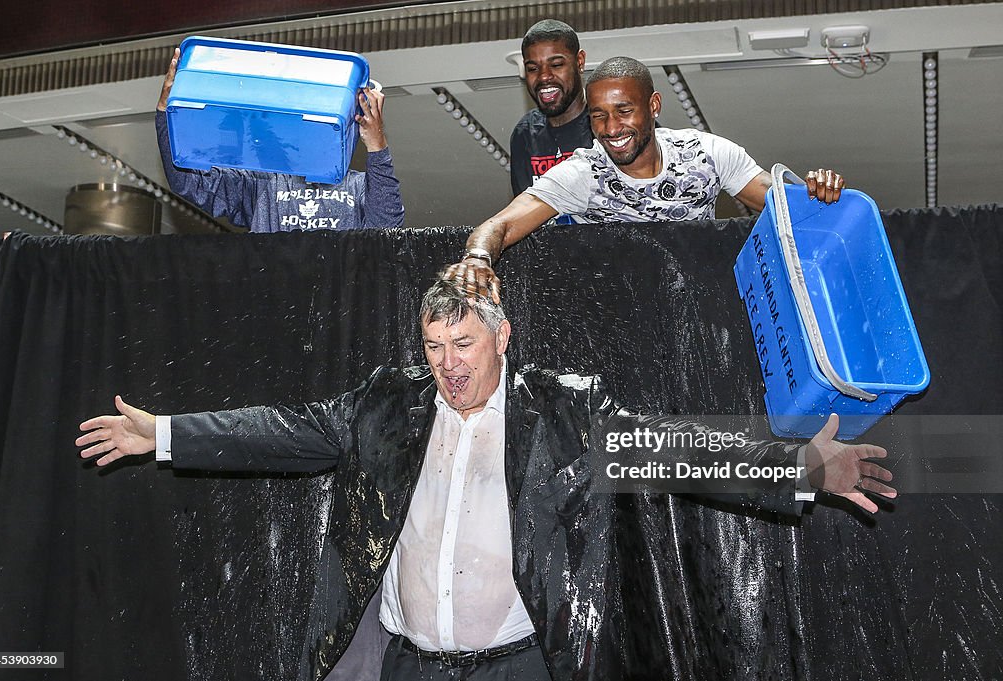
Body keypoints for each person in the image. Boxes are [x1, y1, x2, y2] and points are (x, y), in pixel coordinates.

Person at [76, 281, 894, 680]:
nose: (447, 365)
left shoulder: (565, 411)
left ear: (502, 334)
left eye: (462, 343)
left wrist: (802, 466)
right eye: (433, 347)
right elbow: (281, 429)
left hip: (517, 666)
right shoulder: (385, 403)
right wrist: (166, 433)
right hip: (407, 664)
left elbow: (670, 447)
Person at [447, 56, 846, 302]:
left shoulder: (705, 152)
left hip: (699, 303)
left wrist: (816, 191)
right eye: (599, 115)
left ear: (653, 106)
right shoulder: (582, 174)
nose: (611, 127)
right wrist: (478, 258)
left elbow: (783, 205)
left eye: (624, 111)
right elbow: (499, 224)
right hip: (621, 314)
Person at [155, 48, 405, 232]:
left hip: (340, 303)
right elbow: (187, 181)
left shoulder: (359, 188)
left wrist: (377, 144)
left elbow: (387, 231)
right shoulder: (264, 182)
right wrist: (166, 112)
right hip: (274, 301)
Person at [510, 20, 593, 197]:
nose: (544, 77)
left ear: (579, 62)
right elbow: (523, 210)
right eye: (533, 68)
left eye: (556, 65)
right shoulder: (524, 133)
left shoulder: (613, 121)